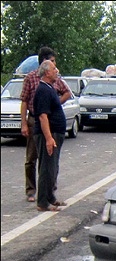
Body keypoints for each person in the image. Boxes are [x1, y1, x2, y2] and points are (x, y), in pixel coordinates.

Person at [20, 47, 71, 203]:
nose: (56, 68)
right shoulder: (32, 79)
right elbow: (24, 101)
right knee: (32, 158)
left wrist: (55, 104)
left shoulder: (54, 81)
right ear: (44, 64)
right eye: (53, 63)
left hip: (50, 122)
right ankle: (32, 191)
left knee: (49, 161)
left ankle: (49, 191)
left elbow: (66, 92)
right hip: (36, 120)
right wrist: (24, 123)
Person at [33, 60, 67, 212]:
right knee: (46, 167)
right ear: (46, 72)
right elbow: (42, 116)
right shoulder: (43, 90)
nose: (57, 70)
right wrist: (48, 138)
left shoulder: (50, 88)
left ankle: (50, 197)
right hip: (48, 133)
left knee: (52, 167)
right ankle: (42, 202)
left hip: (55, 132)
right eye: (54, 68)